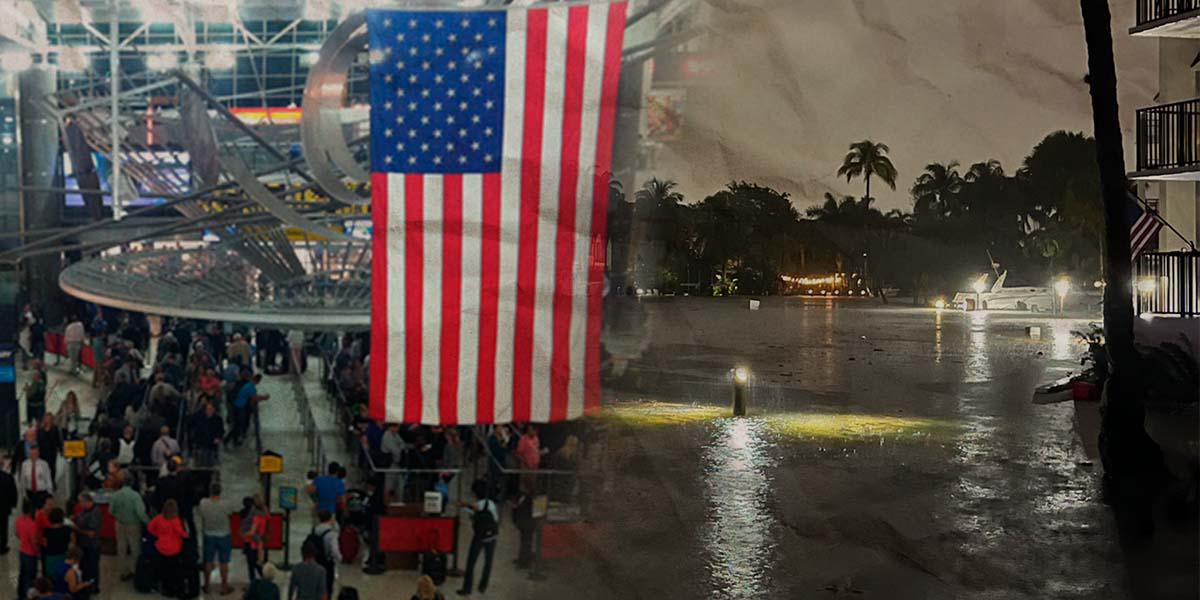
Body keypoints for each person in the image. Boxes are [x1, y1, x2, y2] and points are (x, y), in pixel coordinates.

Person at [456, 480, 499, 597]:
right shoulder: (491, 504)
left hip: (479, 537)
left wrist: (463, 506)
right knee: (488, 563)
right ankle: (482, 586)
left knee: (471, 563)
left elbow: (474, 509)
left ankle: (467, 588)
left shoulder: (478, 505)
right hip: (492, 537)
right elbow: (495, 519)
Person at [109, 470, 148, 582]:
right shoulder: (135, 496)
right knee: (135, 548)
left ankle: (123, 572)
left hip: (119, 523)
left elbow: (111, 511)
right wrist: (148, 523)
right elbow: (141, 513)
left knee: (121, 548)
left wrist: (119, 516)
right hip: (133, 525)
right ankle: (135, 571)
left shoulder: (116, 495)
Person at [198, 483, 235, 596]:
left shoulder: (204, 503)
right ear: (220, 491)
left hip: (209, 534)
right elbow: (231, 513)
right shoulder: (226, 504)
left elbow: (201, 514)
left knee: (208, 561)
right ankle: (224, 586)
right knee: (224, 562)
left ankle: (207, 585)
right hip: (224, 535)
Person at [148, 499, 189, 597]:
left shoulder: (159, 518)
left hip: (161, 548)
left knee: (164, 569)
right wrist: (186, 535)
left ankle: (167, 589)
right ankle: (176, 589)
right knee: (174, 570)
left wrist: (157, 534)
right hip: (174, 549)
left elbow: (150, 528)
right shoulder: (175, 521)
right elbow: (181, 533)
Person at [73, 492, 102, 589]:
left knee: (92, 568)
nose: (79, 504)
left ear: (87, 502)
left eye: (80, 502)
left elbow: (92, 533)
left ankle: (93, 586)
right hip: (83, 545)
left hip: (92, 546)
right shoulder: (85, 511)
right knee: (84, 567)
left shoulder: (95, 512)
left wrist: (77, 529)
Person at [311, 510, 341, 598]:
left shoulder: (315, 530)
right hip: (327, 563)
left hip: (316, 560)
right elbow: (335, 550)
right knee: (327, 586)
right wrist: (340, 558)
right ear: (330, 519)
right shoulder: (331, 534)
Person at [240, 495, 268, 582]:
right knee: (257, 563)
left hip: (251, 542)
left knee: (252, 565)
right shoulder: (264, 513)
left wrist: (244, 534)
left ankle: (254, 583)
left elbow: (252, 531)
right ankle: (265, 579)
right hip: (258, 541)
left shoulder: (255, 516)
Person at [41, 508, 71, 582]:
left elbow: (45, 544)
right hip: (63, 557)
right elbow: (72, 545)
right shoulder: (67, 530)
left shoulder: (46, 531)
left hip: (50, 558)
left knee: (51, 580)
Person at [16, 501, 39, 599]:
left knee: (22, 574)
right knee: (30, 577)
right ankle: (28, 596)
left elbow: (17, 534)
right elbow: (33, 541)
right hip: (30, 553)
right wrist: (37, 552)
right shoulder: (32, 524)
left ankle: (21, 594)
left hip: (22, 551)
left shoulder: (19, 520)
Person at [191, 402, 225, 467]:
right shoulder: (199, 416)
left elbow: (221, 430)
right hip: (200, 443)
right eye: (208, 409)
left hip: (211, 445)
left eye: (211, 409)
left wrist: (218, 438)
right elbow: (191, 423)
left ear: (214, 409)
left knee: (210, 463)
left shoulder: (218, 419)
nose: (209, 411)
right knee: (199, 462)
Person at [36, 414, 62, 481]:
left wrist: (61, 450)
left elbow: (58, 440)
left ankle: (52, 481)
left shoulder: (55, 429)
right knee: (42, 467)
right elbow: (38, 441)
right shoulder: (40, 430)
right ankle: (44, 481)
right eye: (46, 418)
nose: (48, 420)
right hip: (42, 451)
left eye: (49, 418)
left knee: (52, 467)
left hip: (52, 452)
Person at [0, 456, 17, 553]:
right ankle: (2, 546)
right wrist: (13, 505)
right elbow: (13, 493)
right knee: (3, 527)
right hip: (4, 508)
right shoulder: (8, 478)